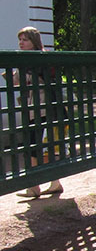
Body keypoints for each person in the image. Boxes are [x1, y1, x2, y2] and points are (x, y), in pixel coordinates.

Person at [11, 27, 63, 198]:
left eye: (25, 39)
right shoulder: (36, 58)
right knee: (41, 144)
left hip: (39, 107)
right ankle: (53, 183)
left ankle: (34, 186)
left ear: (34, 41)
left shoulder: (34, 59)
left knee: (34, 144)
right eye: (20, 39)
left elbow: (23, 81)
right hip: (40, 107)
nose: (21, 43)